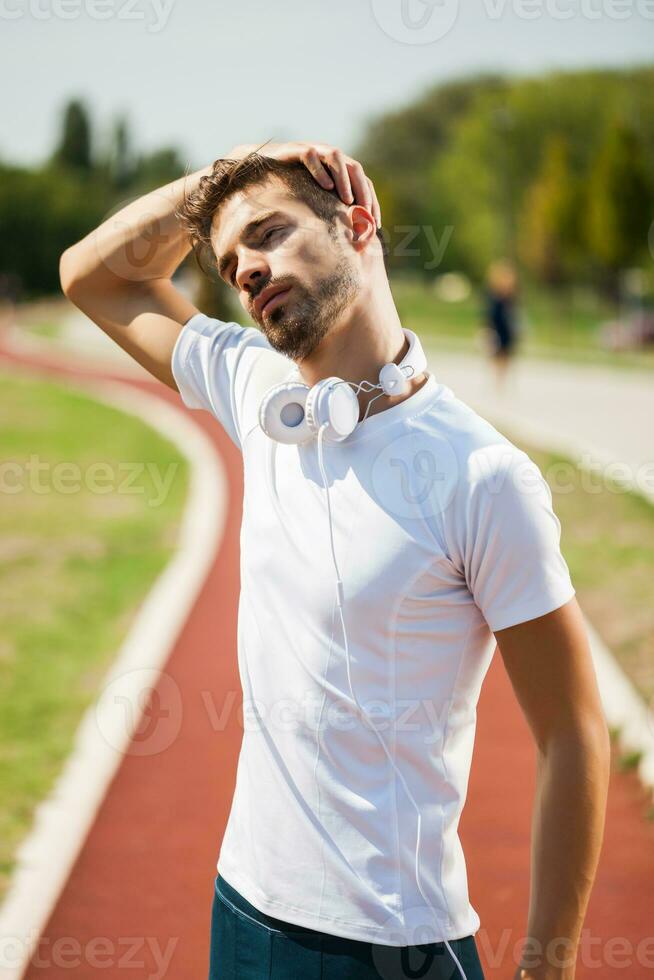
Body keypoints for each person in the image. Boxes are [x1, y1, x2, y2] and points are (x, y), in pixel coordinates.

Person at [59, 141, 610, 980]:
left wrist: (549, 969)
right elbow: (91, 276)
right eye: (233, 260)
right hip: (241, 906)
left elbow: (573, 736)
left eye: (271, 233)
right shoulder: (257, 391)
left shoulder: (482, 475)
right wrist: (227, 172)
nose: (247, 269)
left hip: (392, 946)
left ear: (359, 224)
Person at [482, 259, 520, 394]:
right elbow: (489, 313)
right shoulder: (493, 295)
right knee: (496, 355)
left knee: (506, 355)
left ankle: (502, 380)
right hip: (496, 327)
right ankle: (498, 381)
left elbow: (514, 313)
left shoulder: (511, 295)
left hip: (507, 328)